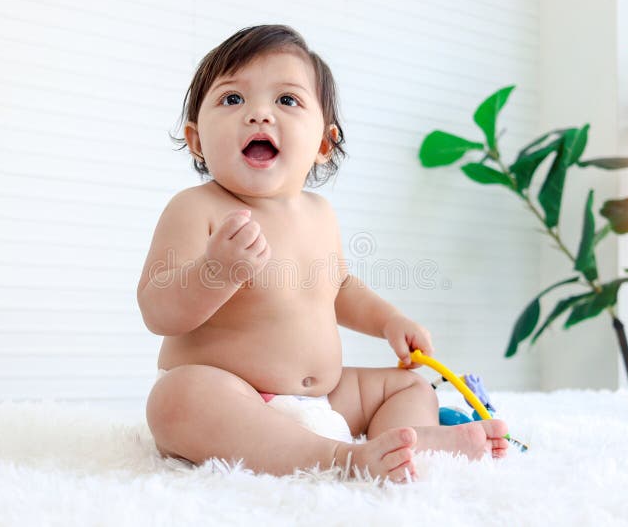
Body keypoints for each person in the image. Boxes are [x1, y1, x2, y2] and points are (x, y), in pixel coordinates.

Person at [139, 24, 508, 483]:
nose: (258, 114)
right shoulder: (197, 209)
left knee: (407, 385)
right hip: (235, 399)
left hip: (327, 398)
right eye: (233, 99)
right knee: (177, 399)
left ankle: (409, 440)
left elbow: (337, 290)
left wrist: (389, 321)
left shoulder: (319, 213)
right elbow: (158, 310)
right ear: (196, 140)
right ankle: (341, 459)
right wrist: (216, 270)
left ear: (322, 144)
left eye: (286, 100)